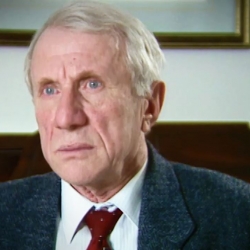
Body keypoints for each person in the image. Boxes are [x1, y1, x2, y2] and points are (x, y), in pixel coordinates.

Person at [1, 0, 250, 249]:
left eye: (92, 84)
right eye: (50, 89)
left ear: (150, 105)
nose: (66, 119)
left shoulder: (238, 215)